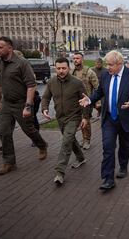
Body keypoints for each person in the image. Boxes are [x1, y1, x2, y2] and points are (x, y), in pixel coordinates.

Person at [79, 50, 129, 191]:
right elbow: (100, 92)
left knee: (124, 145)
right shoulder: (105, 75)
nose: (107, 67)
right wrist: (90, 99)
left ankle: (123, 166)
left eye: (110, 65)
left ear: (119, 64)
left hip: (125, 117)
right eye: (106, 64)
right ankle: (108, 179)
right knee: (108, 147)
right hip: (109, 118)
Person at [0, 36, 48, 175]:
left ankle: (42, 145)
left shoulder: (22, 63)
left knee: (29, 130)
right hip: (6, 103)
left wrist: (28, 106)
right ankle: (9, 162)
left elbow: (31, 85)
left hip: (21, 103)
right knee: (4, 132)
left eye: (0, 47)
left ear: (10, 48)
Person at [41, 57, 89, 185]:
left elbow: (86, 101)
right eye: (58, 68)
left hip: (74, 117)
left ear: (69, 68)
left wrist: (85, 117)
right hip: (60, 117)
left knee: (66, 141)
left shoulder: (77, 83)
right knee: (70, 140)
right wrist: (44, 109)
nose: (61, 71)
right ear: (55, 68)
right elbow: (45, 97)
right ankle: (81, 157)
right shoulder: (51, 82)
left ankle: (59, 172)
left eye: (64, 68)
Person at [71, 52, 99, 150]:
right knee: (78, 121)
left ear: (82, 59)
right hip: (74, 102)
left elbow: (97, 88)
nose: (75, 60)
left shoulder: (89, 72)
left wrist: (97, 102)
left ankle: (87, 140)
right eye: (74, 58)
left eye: (77, 58)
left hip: (86, 101)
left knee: (85, 120)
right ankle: (83, 139)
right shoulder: (71, 72)